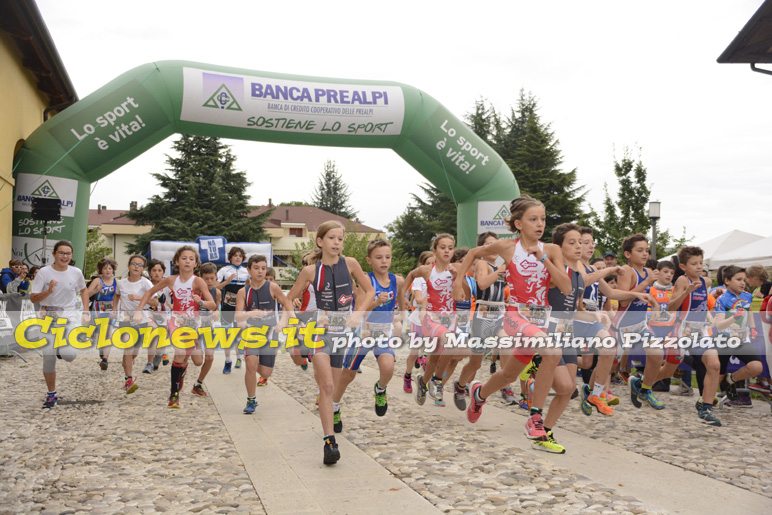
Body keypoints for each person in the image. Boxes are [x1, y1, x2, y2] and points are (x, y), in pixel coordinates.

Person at [451, 195, 573, 449]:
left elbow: (566, 287)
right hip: (516, 317)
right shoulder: (507, 247)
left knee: (510, 375)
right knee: (552, 351)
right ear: (518, 224)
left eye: (542, 219)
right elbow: (473, 252)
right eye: (533, 219)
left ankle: (480, 394)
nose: (540, 224)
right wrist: (457, 282)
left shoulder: (551, 250)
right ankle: (535, 418)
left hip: (540, 320)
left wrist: (543, 259)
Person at [285, 220, 374, 465]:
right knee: (325, 386)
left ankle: (332, 411)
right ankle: (329, 442)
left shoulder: (352, 264)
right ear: (320, 242)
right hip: (318, 332)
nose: (337, 243)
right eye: (332, 238)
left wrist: (358, 313)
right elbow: (289, 299)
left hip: (342, 333)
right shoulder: (310, 272)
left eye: (340, 239)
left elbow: (369, 292)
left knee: (332, 388)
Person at [134, 246, 216, 409]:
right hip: (177, 323)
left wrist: (201, 302)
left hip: (194, 324)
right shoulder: (172, 280)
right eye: (184, 258)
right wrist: (138, 310)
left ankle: (182, 373)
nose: (187, 261)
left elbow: (213, 304)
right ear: (177, 261)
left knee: (197, 361)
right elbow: (149, 292)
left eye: (191, 259)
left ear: (196, 263)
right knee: (179, 355)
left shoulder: (198, 281)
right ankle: (174, 395)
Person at [333, 239, 403, 427]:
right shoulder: (367, 281)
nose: (384, 261)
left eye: (387, 257)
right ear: (369, 260)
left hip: (383, 333)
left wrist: (401, 317)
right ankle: (334, 407)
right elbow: (361, 309)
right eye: (379, 257)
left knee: (388, 368)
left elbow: (402, 301)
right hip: (363, 333)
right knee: (348, 375)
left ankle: (380, 390)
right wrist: (376, 302)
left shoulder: (397, 280)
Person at [398, 233, 470, 408]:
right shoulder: (427, 270)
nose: (446, 251)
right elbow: (410, 275)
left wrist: (458, 277)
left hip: (450, 320)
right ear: (435, 250)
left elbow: (466, 296)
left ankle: (423, 381)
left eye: (450, 248)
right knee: (448, 343)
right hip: (431, 318)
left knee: (435, 357)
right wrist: (402, 298)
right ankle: (437, 381)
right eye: (442, 247)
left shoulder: (457, 270)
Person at [454, 232, 513, 409]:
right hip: (483, 314)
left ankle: (506, 386)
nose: (494, 248)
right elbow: (481, 284)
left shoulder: (502, 265)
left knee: (506, 344)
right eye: (489, 244)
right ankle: (460, 385)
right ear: (483, 248)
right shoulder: (482, 263)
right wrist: (501, 272)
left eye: (496, 244)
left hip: (500, 313)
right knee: (476, 363)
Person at [30, 241, 90, 408]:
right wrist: (48, 291)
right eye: (62, 253)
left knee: (69, 356)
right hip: (48, 315)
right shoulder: (44, 272)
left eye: (68, 253)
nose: (65, 256)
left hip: (69, 315)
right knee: (48, 359)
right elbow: (33, 298)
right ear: (54, 254)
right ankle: (51, 394)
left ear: (71, 256)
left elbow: (84, 290)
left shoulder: (76, 272)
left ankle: (60, 349)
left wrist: (86, 310)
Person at [665, 246, 721, 425]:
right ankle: (642, 382)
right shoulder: (682, 280)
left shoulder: (705, 282)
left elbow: (708, 289)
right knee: (668, 370)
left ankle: (706, 407)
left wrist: (715, 294)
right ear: (683, 266)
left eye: (701, 263)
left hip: (700, 330)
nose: (698, 267)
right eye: (694, 264)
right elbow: (670, 307)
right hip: (683, 330)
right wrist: (686, 292)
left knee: (714, 365)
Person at [612, 234, 665, 410]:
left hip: (640, 325)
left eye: (646, 251)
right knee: (609, 364)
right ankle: (592, 389)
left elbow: (647, 295)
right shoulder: (627, 271)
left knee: (657, 354)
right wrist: (647, 282)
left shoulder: (647, 272)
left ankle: (645, 389)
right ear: (628, 254)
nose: (645, 254)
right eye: (640, 250)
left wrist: (656, 305)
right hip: (622, 325)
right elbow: (624, 300)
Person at [235, 255, 290, 413]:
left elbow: (286, 304)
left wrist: (282, 322)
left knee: (266, 372)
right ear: (249, 270)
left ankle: (255, 366)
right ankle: (251, 400)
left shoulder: (272, 288)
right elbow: (238, 316)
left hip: (270, 333)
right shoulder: (243, 292)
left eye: (263, 268)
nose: (260, 271)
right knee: (251, 365)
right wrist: (249, 315)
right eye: (256, 268)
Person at [714, 265, 763, 407]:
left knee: (756, 367)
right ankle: (705, 401)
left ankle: (731, 379)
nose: (743, 283)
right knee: (718, 376)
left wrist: (753, 328)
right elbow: (719, 326)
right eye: (739, 279)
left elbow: (748, 314)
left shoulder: (747, 296)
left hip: (742, 340)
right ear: (727, 280)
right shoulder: (721, 299)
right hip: (724, 340)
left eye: (744, 280)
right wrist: (734, 318)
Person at [113, 255, 154, 394]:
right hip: (125, 319)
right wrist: (114, 309)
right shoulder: (121, 283)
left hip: (141, 319)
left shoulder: (146, 283)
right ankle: (129, 379)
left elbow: (155, 302)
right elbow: (116, 295)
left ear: (143, 268)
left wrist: (139, 297)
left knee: (134, 351)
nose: (136, 266)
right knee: (128, 347)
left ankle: (127, 363)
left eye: (140, 265)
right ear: (129, 266)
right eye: (134, 264)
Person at [403, 250, 434, 392]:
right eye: (428, 264)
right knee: (414, 351)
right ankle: (407, 375)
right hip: (418, 319)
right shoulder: (419, 279)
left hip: (434, 317)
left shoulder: (440, 278)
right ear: (422, 265)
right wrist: (431, 299)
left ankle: (428, 377)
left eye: (433, 263)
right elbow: (419, 299)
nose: (431, 266)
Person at [217, 247, 250, 373]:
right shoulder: (224, 270)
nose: (237, 258)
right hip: (226, 307)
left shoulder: (246, 272)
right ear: (230, 257)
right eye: (235, 255)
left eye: (240, 256)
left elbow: (250, 287)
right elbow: (215, 287)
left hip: (240, 308)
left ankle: (239, 357)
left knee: (239, 332)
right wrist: (227, 282)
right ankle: (227, 360)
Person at [190, 262, 221, 396]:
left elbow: (217, 307)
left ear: (216, 277)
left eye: (212, 278)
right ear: (200, 278)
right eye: (206, 278)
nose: (209, 281)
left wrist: (216, 312)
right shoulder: (195, 291)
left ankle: (198, 384)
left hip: (208, 328)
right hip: (194, 329)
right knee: (198, 362)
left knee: (210, 358)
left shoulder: (217, 292)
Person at [86, 258, 119, 371]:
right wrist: (96, 290)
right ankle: (102, 351)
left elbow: (121, 296)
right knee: (101, 333)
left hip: (112, 310)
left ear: (113, 270)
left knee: (109, 332)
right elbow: (86, 295)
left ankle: (105, 359)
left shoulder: (117, 281)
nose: (108, 270)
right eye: (105, 268)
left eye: (110, 268)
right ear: (100, 270)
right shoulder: (97, 281)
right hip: (98, 309)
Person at [143, 259, 170, 372]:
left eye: (159, 270)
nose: (157, 273)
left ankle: (160, 355)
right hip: (150, 315)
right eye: (154, 270)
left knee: (161, 339)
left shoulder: (168, 285)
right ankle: (150, 362)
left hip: (164, 315)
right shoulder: (146, 284)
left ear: (163, 272)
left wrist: (173, 304)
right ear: (150, 272)